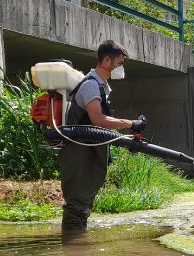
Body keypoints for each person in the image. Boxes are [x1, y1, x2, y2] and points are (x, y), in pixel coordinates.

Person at [60, 40, 146, 233]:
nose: (121, 68)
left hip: (86, 152)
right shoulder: (91, 85)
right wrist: (130, 124)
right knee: (77, 206)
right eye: (120, 63)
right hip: (79, 154)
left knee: (82, 206)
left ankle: (77, 247)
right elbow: (98, 119)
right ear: (107, 60)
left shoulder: (100, 86)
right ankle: (74, 252)